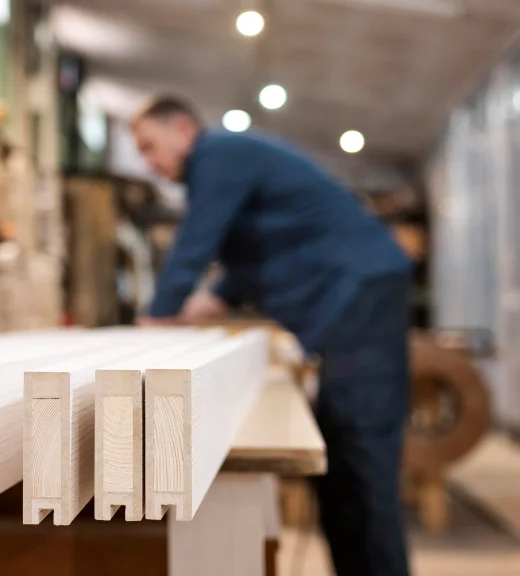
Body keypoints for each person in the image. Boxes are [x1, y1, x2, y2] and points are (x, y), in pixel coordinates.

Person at [133, 95, 413, 576]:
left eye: (150, 146)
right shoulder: (229, 164)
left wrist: (156, 317)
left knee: (364, 462)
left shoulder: (217, 154)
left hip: (358, 296)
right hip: (347, 304)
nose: (149, 163)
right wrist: (211, 300)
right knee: (340, 465)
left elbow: (197, 242)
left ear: (183, 129)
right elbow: (253, 249)